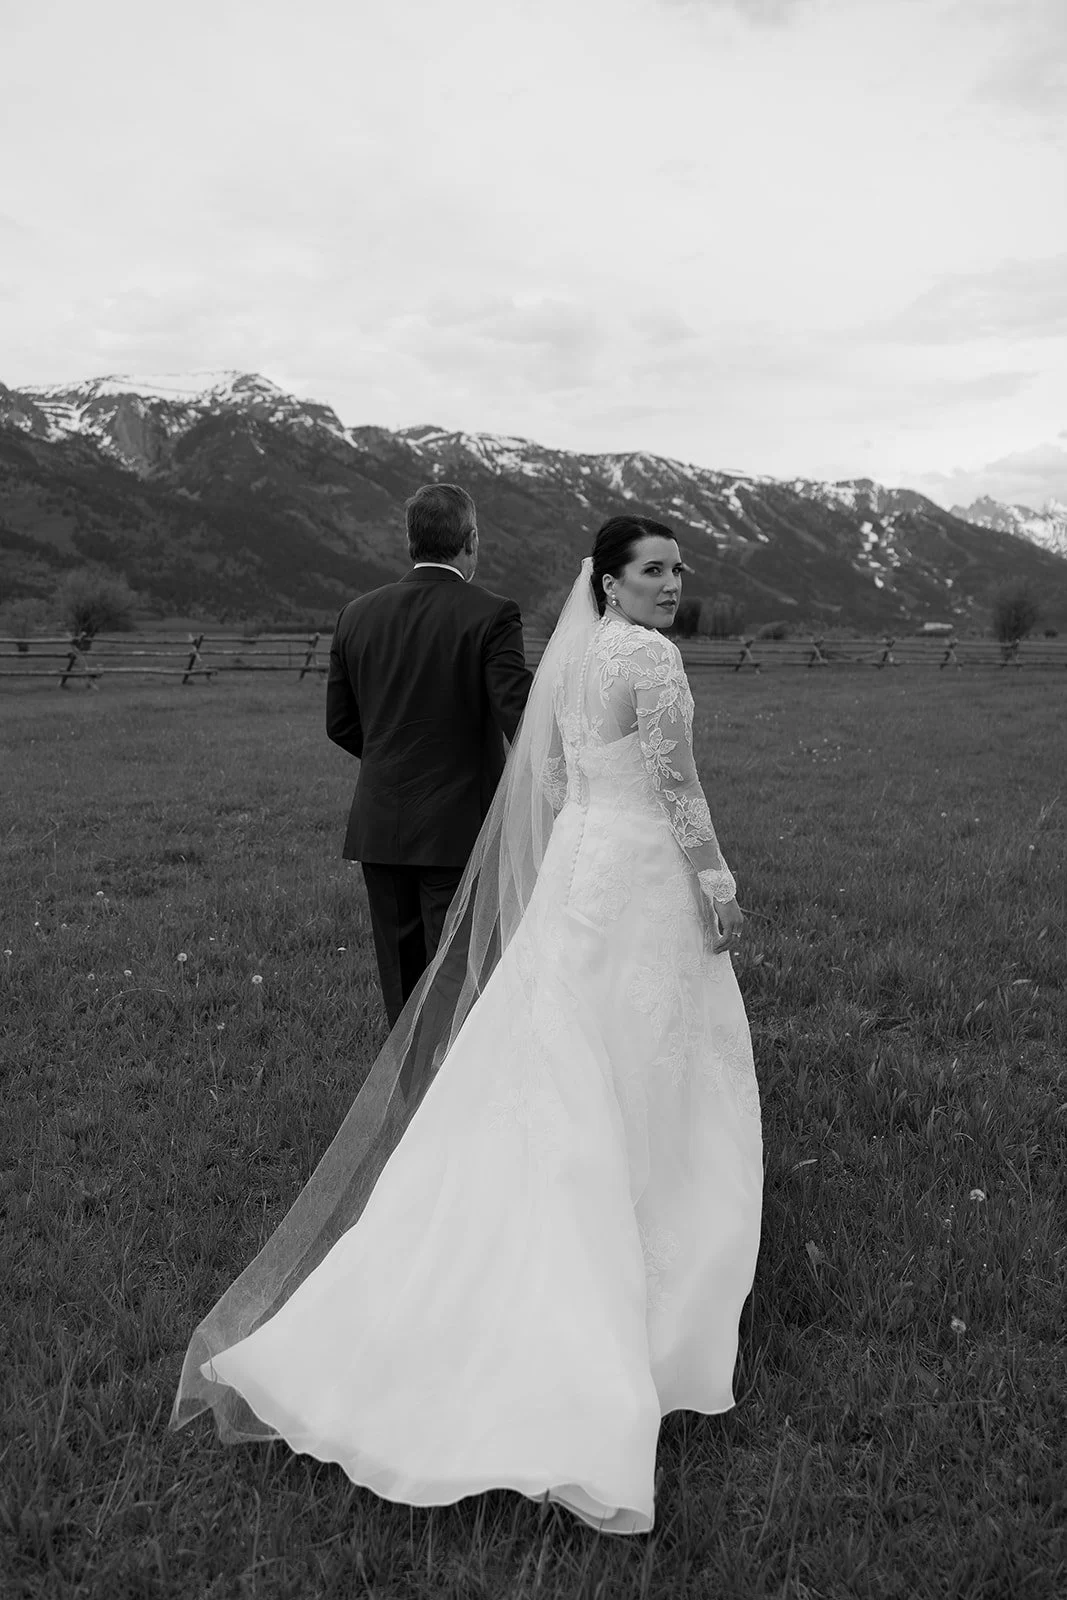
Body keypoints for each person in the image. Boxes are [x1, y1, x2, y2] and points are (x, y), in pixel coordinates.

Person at [171, 515, 763, 1536]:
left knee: (552, 1049)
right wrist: (713, 878)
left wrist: (573, 845)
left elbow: (544, 776)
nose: (673, 582)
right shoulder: (650, 659)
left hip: (578, 866)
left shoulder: (572, 657)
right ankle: (641, 1263)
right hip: (633, 879)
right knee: (645, 1053)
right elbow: (675, 784)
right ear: (609, 581)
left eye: (677, 568)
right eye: (654, 569)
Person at [326, 482, 532, 1027]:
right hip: (458, 824)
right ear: (472, 541)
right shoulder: (492, 614)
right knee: (456, 974)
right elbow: (521, 717)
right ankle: (451, 1095)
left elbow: (341, 724)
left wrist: (393, 763)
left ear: (410, 542)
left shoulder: (355, 614)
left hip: (381, 822)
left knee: (401, 976)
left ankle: (407, 1092)